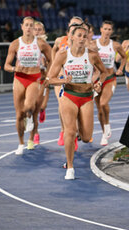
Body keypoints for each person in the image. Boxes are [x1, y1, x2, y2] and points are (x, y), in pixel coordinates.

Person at [47, 26, 108, 180]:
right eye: (79, 35)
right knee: (70, 131)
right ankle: (70, 166)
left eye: (84, 36)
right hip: (69, 95)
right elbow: (50, 79)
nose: (82, 38)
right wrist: (63, 80)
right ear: (71, 37)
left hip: (87, 96)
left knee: (86, 137)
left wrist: (98, 82)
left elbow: (104, 72)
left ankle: (78, 129)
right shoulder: (62, 55)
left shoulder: (92, 55)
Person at [4, 16, 52, 155]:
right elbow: (6, 65)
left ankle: (30, 121)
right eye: (27, 25)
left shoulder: (41, 44)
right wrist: (14, 69)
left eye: (31, 25)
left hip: (34, 78)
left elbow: (52, 61)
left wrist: (48, 75)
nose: (29, 28)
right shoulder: (15, 44)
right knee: (19, 115)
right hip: (19, 78)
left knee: (30, 107)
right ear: (22, 27)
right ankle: (21, 143)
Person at [52, 16, 83, 148]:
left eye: (78, 25)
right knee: (62, 105)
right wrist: (56, 67)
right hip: (61, 78)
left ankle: (75, 132)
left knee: (76, 108)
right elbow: (53, 51)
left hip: (78, 79)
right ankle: (64, 131)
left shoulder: (83, 42)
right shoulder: (60, 40)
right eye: (74, 24)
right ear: (69, 25)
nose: (75, 26)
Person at [94, 21, 127, 146]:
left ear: (111, 31)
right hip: (97, 80)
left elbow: (124, 57)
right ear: (101, 30)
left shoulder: (115, 45)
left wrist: (120, 68)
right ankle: (104, 133)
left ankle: (107, 125)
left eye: (109, 29)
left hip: (109, 78)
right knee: (99, 109)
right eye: (105, 29)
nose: (107, 31)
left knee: (103, 103)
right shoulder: (93, 45)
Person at [32, 21, 49, 145]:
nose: (37, 32)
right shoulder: (28, 45)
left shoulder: (45, 46)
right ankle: (35, 133)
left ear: (43, 32)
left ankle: (43, 109)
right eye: (35, 29)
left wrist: (45, 65)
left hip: (43, 80)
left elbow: (53, 63)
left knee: (41, 106)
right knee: (33, 109)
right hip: (32, 80)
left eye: (39, 30)